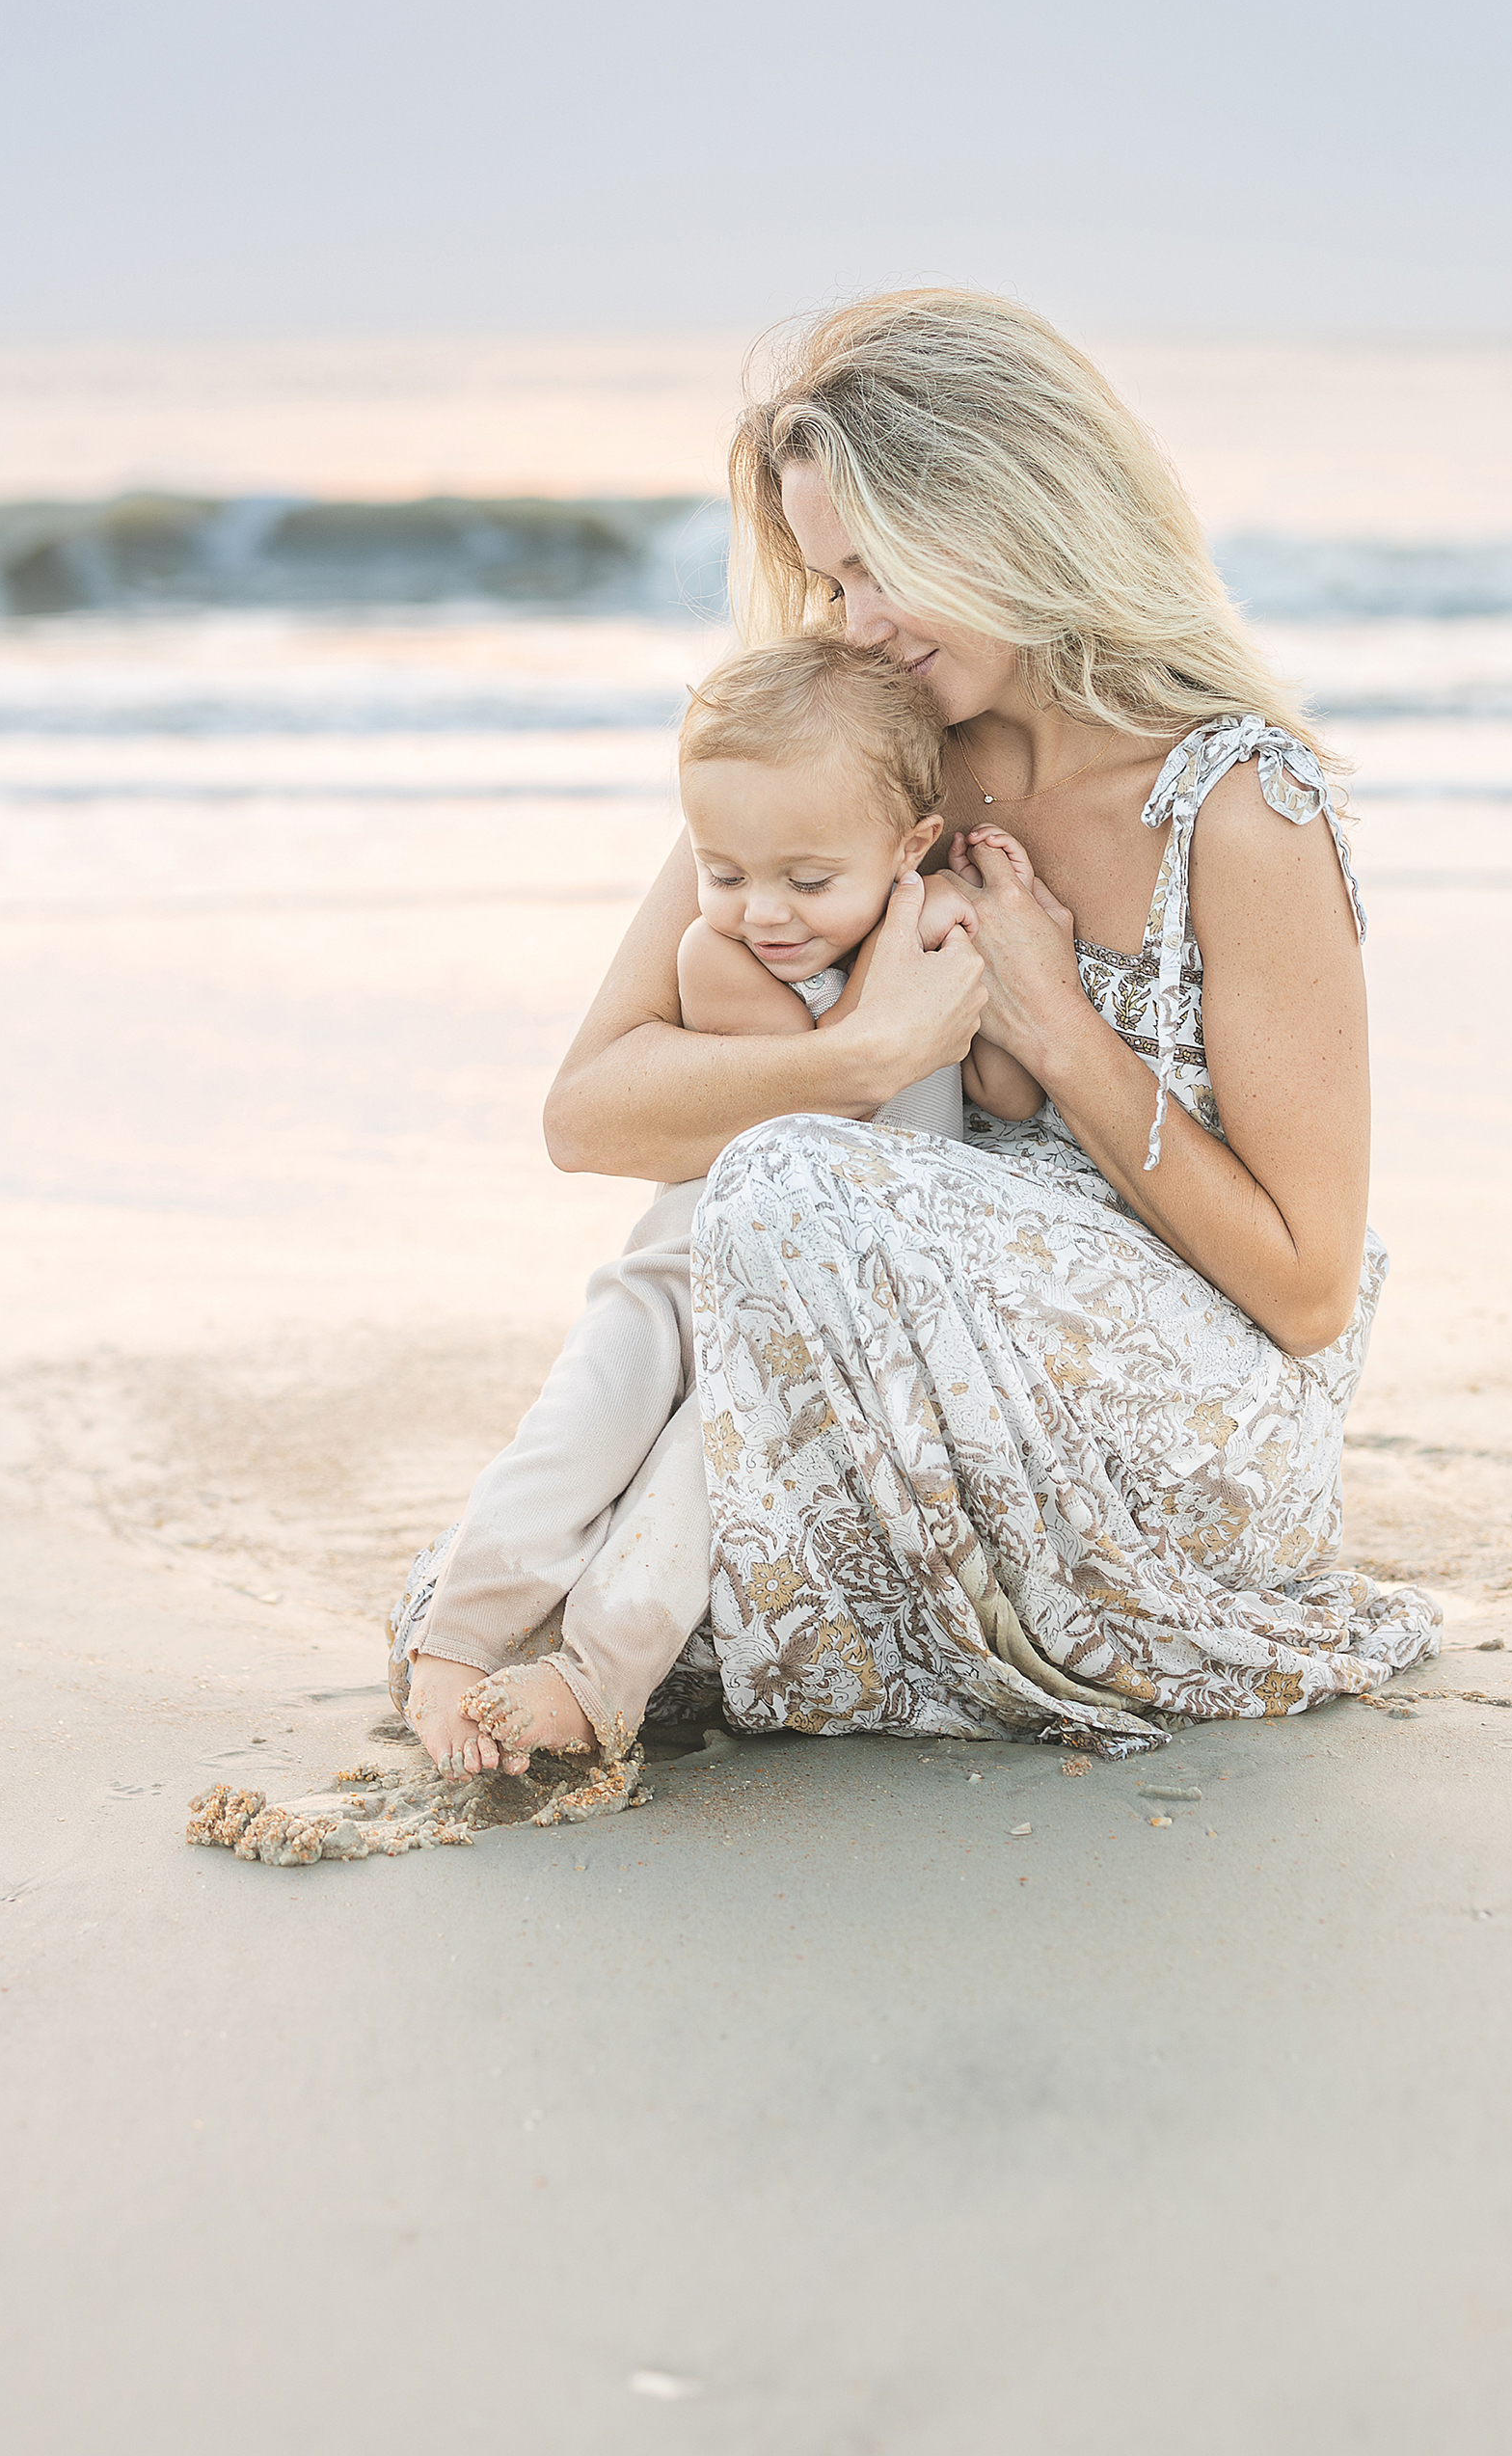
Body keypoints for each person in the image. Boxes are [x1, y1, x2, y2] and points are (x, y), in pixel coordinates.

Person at [397, 286, 1440, 1783]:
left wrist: (1054, 1020)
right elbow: (590, 1114)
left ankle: (622, 1647)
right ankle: (556, 1623)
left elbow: (1305, 1288)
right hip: (877, 1351)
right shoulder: (856, 761)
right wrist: (854, 1059)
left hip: (1190, 1415)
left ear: (1018, 518)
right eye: (827, 580)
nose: (854, 626)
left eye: (882, 569)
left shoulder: (1234, 804)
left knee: (774, 1185)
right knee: (731, 1229)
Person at [393, 637, 1045, 1775]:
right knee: (583, 1416)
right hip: (681, 1271)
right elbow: (813, 1110)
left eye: (806, 879)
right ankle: (457, 1635)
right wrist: (899, 991)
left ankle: (594, 1679)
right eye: (724, 869)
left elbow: (1004, 1093)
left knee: (703, 1472)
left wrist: (1009, 960)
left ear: (909, 845)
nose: (763, 912)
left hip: (809, 1324)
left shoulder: (943, 930)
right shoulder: (718, 954)